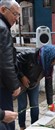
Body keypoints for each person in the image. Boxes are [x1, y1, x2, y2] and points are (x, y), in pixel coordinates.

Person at [16, 44, 55, 130]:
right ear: (49, 56)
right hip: (21, 84)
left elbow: (49, 84)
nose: (54, 64)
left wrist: (50, 103)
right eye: (54, 61)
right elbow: (15, 61)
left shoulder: (49, 67)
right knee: (22, 106)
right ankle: (22, 126)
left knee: (35, 105)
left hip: (34, 84)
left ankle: (34, 126)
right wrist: (22, 76)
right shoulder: (30, 55)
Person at [0, 0, 21, 129]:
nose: (17, 19)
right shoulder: (2, 29)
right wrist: (15, 86)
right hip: (2, 86)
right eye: (15, 14)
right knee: (7, 119)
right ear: (3, 10)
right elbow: (6, 63)